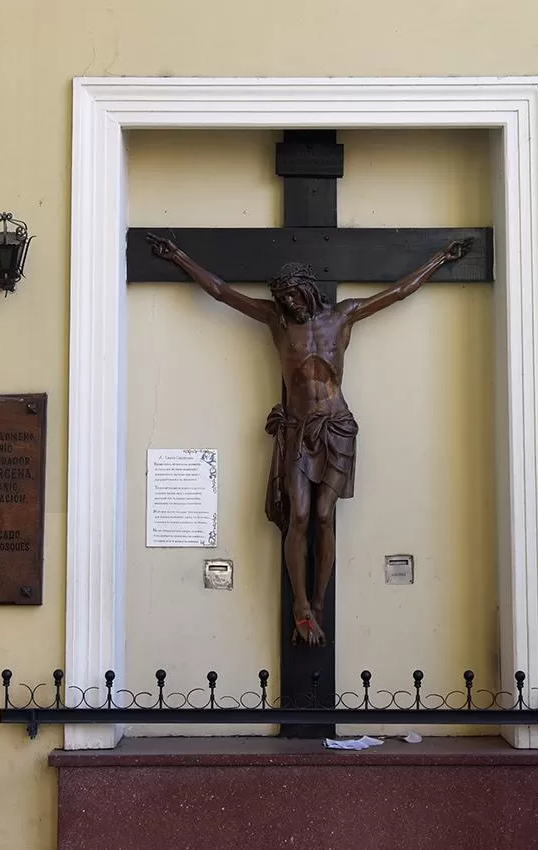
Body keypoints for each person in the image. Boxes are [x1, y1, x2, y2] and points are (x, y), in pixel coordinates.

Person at [145, 233, 473, 646]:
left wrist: (441, 258)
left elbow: (399, 292)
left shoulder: (343, 316)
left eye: (293, 297)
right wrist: (178, 255)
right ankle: (300, 604)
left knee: (323, 515)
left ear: (307, 289)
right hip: (299, 431)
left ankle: (319, 601)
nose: (289, 305)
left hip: (336, 427)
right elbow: (221, 292)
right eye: (282, 300)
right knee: (298, 515)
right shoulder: (276, 322)